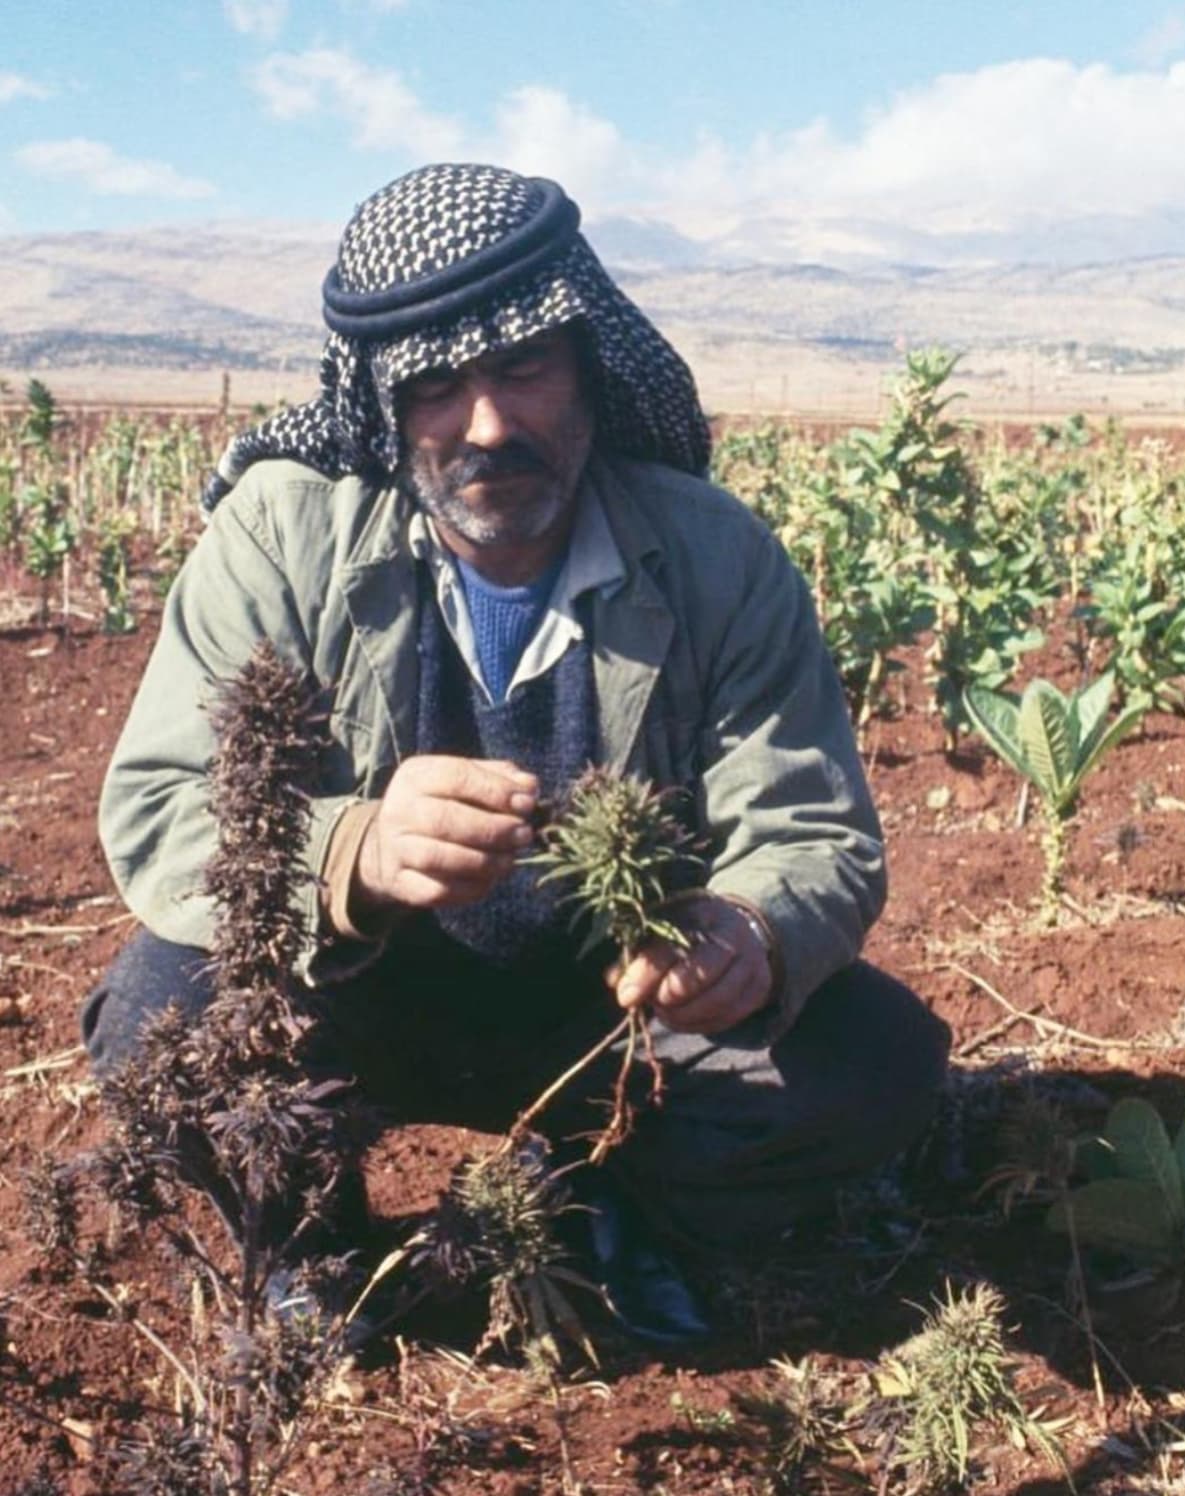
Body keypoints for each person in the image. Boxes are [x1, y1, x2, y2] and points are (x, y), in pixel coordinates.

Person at [83, 162, 950, 1345]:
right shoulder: (281, 538)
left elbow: (809, 827)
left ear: (586, 366)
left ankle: (606, 1195)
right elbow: (160, 805)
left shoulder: (713, 556)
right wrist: (355, 847)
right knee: (156, 1019)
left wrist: (751, 928)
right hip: (351, 1001)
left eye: (521, 367)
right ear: (385, 404)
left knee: (873, 1057)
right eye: (437, 386)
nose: (485, 424)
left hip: (615, 1022)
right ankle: (306, 1238)